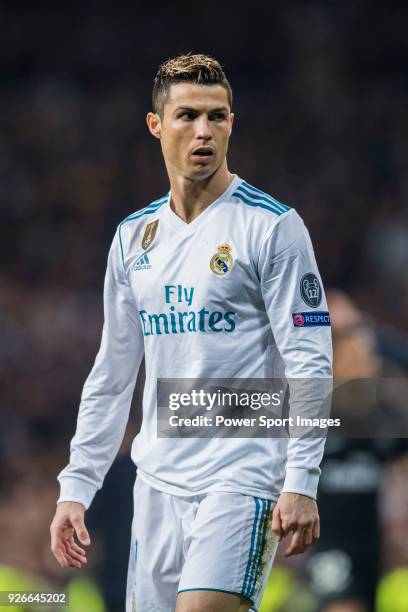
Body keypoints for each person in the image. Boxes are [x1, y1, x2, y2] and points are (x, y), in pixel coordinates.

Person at [50, 53, 332, 612]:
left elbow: (310, 361)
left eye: (218, 116)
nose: (204, 131)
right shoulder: (135, 238)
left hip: (243, 475)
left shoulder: (272, 226)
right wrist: (76, 486)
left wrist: (301, 478)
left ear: (231, 122)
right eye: (187, 116)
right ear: (156, 125)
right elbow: (112, 373)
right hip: (155, 482)